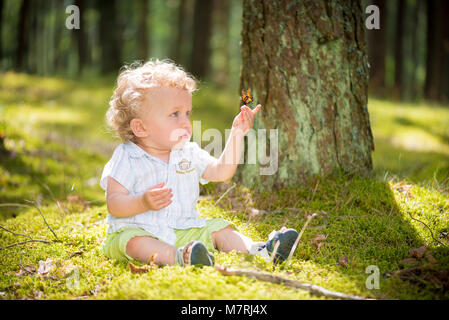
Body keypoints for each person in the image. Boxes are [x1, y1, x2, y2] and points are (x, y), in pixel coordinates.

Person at [100, 59, 298, 267]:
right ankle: (181, 258)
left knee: (220, 228)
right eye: (174, 114)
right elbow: (114, 204)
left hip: (183, 229)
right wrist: (143, 202)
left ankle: (262, 251)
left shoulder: (188, 152)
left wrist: (237, 134)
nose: (185, 121)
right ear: (140, 128)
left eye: (187, 113)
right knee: (136, 244)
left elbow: (221, 172)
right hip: (137, 230)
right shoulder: (127, 156)